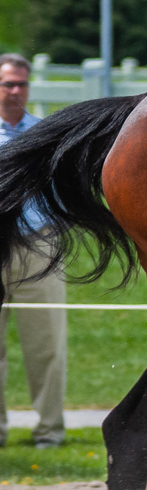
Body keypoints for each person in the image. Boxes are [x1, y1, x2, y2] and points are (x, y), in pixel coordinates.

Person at [0, 53, 66, 448]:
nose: (13, 91)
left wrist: (53, 232)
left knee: (47, 346)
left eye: (20, 84)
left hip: (37, 247)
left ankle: (49, 432)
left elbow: (62, 191)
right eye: (6, 84)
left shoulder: (43, 134)